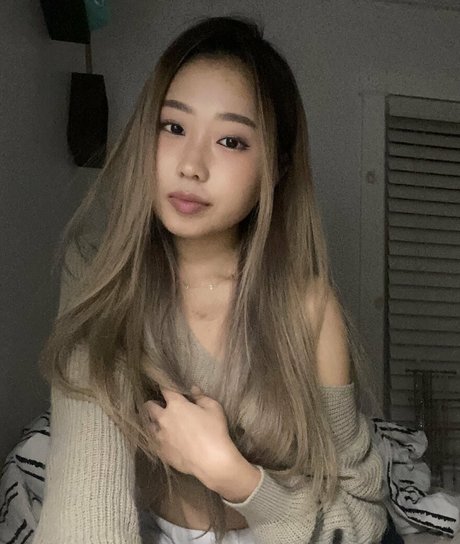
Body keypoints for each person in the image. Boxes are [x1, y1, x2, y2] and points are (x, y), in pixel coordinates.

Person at [32, 15, 387, 544]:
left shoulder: (308, 307)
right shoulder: (102, 275)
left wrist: (233, 475)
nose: (191, 166)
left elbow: (358, 516)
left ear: (275, 167)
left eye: (231, 141)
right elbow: (86, 484)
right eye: (173, 127)